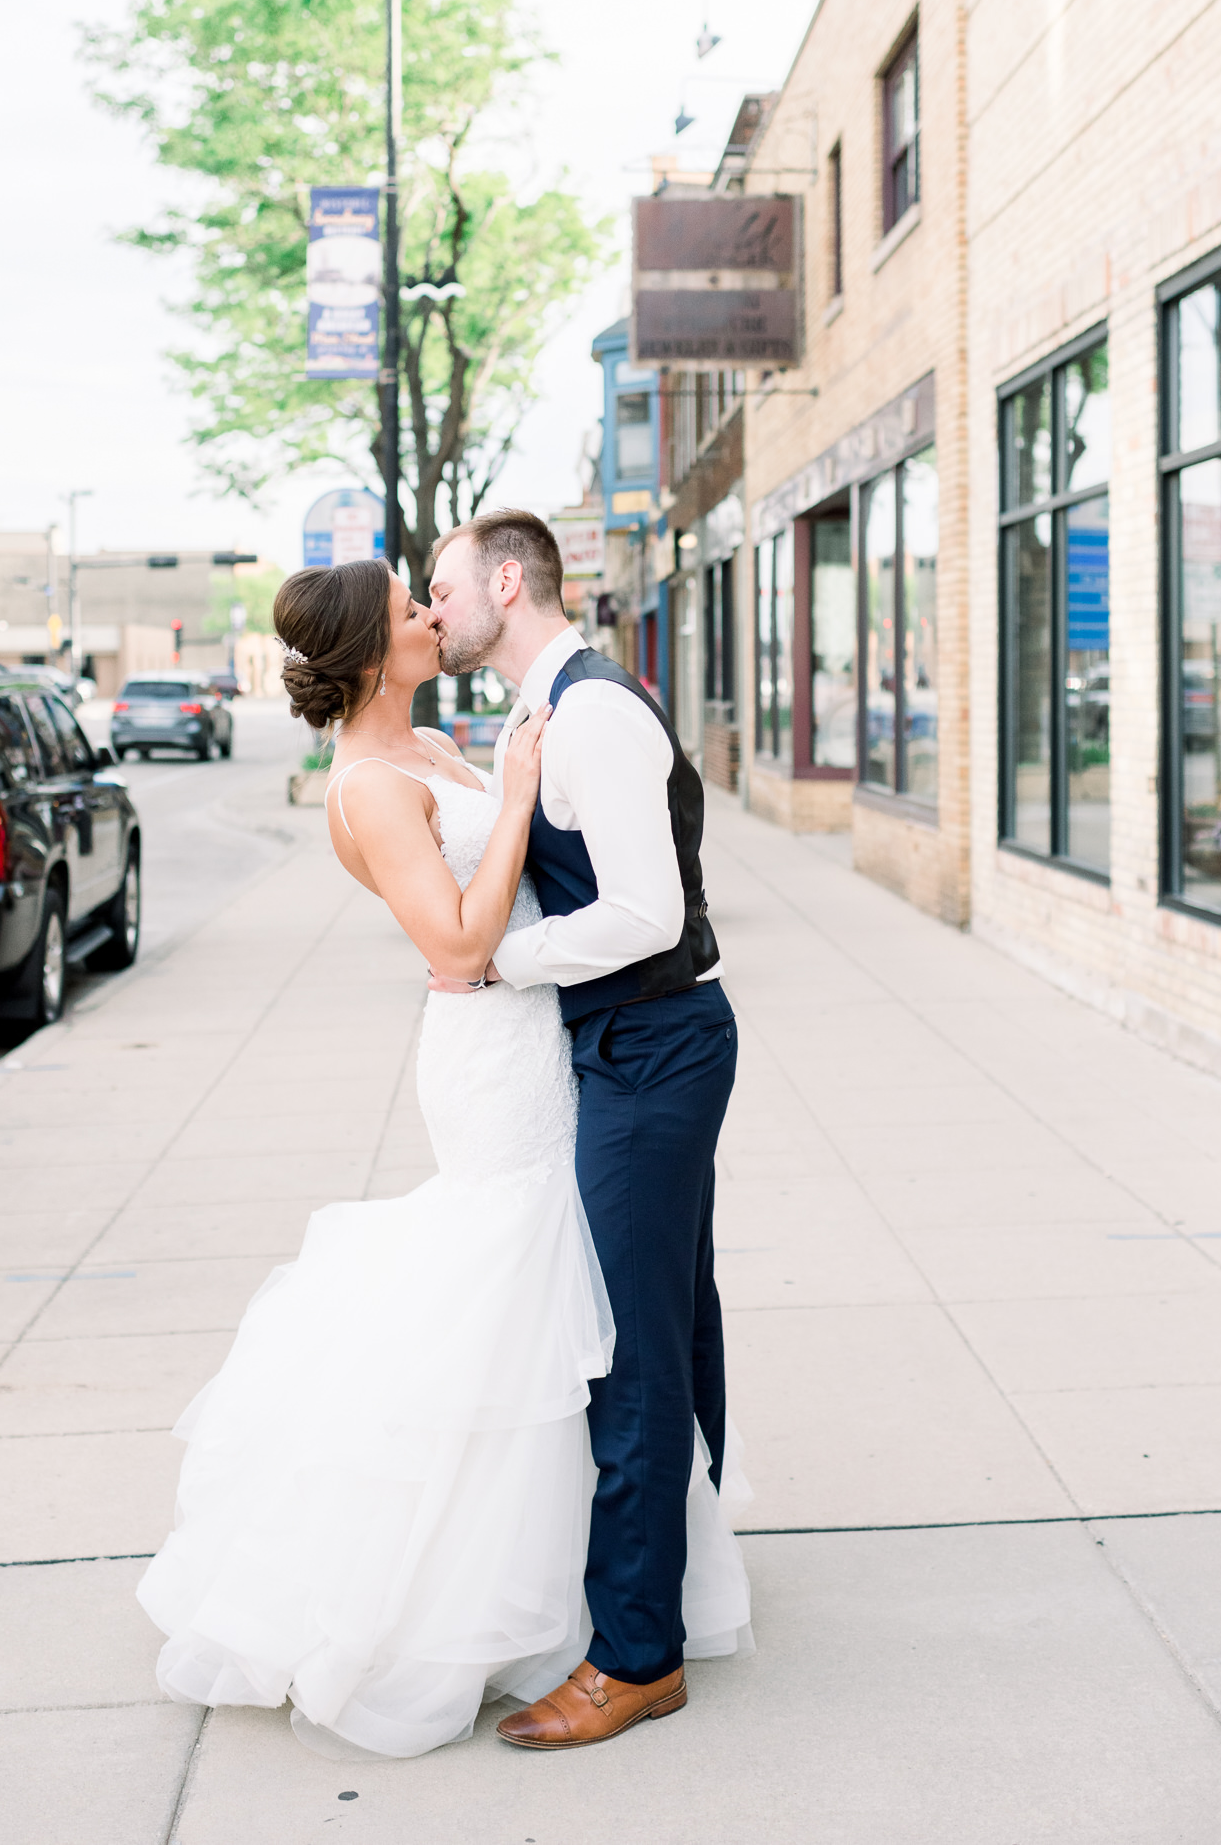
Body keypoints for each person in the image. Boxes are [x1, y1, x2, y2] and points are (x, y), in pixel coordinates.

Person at [136, 556, 749, 1761]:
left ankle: (615, 1601)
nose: (430, 616)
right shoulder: (366, 783)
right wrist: (516, 794)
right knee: (527, 1302)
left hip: (561, 1037)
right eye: (410, 607)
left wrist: (512, 778)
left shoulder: (441, 746)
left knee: (596, 1310)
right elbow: (464, 942)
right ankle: (535, 1610)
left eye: (435, 595)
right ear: (373, 647)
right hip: (497, 1056)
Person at [427, 509, 747, 1752]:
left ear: (507, 582)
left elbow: (645, 912)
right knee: (672, 1320)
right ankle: (689, 1587)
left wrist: (508, 960)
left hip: (654, 1047)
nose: (433, 607)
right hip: (632, 1048)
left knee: (631, 1350)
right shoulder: (537, 711)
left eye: (444, 587)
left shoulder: (596, 714)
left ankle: (634, 1657)